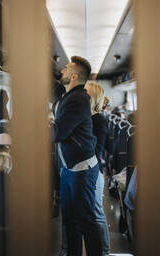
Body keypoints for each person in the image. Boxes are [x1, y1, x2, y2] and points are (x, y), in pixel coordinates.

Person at [52, 56, 102, 256]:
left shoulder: (78, 100)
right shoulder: (68, 96)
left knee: (85, 220)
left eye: (65, 69)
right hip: (68, 168)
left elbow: (58, 132)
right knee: (69, 220)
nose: (62, 71)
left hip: (81, 168)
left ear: (74, 76)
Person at [85, 81, 110, 255]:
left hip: (93, 171)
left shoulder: (99, 120)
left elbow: (97, 150)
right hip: (82, 171)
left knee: (97, 214)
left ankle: (105, 252)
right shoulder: (86, 118)